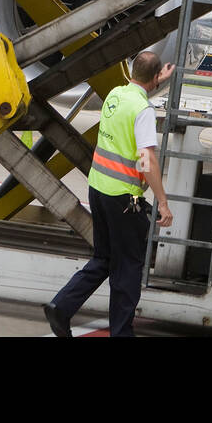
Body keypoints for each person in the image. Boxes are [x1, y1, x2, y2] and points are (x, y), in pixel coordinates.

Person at [44, 51, 174, 337]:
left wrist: (152, 79)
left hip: (98, 188)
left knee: (103, 258)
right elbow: (145, 159)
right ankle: (121, 333)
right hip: (124, 198)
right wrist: (162, 201)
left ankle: (61, 306)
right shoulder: (143, 111)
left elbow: (138, 87)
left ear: (130, 71)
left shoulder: (116, 95)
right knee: (128, 266)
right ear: (154, 79)